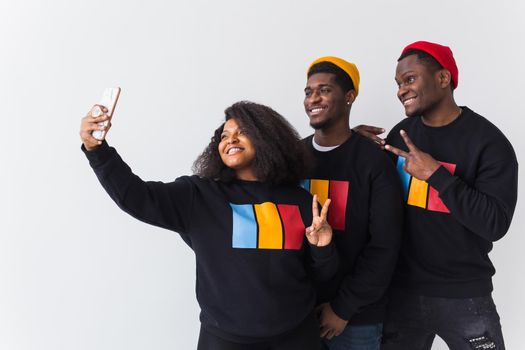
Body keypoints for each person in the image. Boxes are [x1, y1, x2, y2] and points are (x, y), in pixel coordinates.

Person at [79, 100, 339, 350]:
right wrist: (97, 151)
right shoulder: (199, 196)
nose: (231, 140)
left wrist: (323, 247)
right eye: (224, 136)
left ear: (267, 138)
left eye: (242, 132)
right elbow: (137, 198)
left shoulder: (301, 201)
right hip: (226, 338)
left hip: (295, 336)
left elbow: (322, 277)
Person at [357, 41, 518, 350]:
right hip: (402, 291)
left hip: (464, 294)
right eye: (399, 83)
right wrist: (351, 144)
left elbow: (495, 224)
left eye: (410, 79)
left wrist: (436, 175)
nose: (401, 90)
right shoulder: (400, 134)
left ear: (443, 79)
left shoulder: (489, 143)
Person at [301, 56, 404, 350]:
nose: (313, 98)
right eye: (308, 92)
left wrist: (343, 308)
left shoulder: (374, 164)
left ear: (349, 97)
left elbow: (384, 247)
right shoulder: (294, 158)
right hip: (298, 313)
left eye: (324, 90)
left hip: (355, 319)